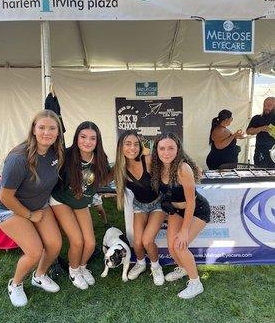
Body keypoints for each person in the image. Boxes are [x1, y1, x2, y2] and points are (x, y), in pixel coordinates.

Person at [0, 110, 65, 307]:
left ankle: (39, 276)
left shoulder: (56, 152)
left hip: (38, 204)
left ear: (58, 132)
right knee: (34, 252)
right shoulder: (19, 158)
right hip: (8, 208)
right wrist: (30, 215)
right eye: (42, 127)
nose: (46, 133)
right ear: (33, 129)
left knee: (55, 244)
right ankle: (15, 284)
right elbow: (5, 196)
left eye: (52, 128)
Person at [50, 121, 111, 290]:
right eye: (83, 137)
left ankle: (82, 267)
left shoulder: (100, 159)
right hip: (60, 200)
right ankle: (73, 270)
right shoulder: (66, 155)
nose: (87, 142)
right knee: (77, 241)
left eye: (92, 138)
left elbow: (102, 181)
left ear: (98, 141)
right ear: (76, 137)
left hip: (81, 203)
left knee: (90, 243)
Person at [151, 133, 211, 299]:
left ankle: (195, 283)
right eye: (162, 148)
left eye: (171, 148)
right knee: (171, 246)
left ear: (178, 149)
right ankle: (184, 268)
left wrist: (184, 230)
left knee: (180, 246)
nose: (166, 152)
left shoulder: (182, 168)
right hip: (176, 210)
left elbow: (191, 202)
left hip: (197, 209)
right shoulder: (157, 166)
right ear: (156, 150)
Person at [114, 131, 166, 286]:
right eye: (128, 144)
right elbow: (100, 179)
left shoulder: (148, 160)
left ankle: (156, 267)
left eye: (136, 144)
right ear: (120, 147)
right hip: (139, 205)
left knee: (147, 241)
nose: (132, 148)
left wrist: (191, 166)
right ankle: (141, 264)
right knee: (136, 243)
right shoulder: (118, 168)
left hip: (157, 203)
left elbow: (170, 163)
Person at [246, 97, 275, 168]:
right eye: (264, 105)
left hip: (274, 153)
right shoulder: (257, 118)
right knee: (260, 174)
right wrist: (262, 128)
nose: (266, 107)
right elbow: (248, 131)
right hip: (261, 152)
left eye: (269, 105)